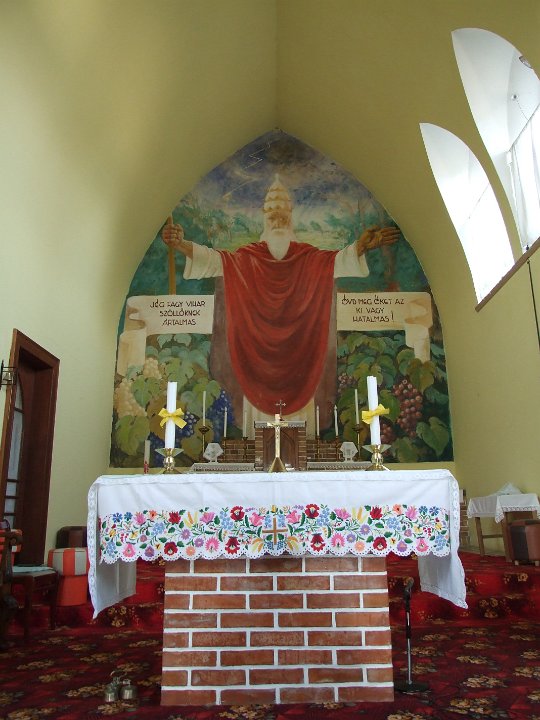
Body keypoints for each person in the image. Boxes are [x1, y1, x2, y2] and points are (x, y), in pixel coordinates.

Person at [162, 176, 399, 433]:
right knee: (257, 436)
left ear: (290, 219)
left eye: (282, 217)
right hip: (256, 360)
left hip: (300, 355)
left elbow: (336, 262)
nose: (277, 223)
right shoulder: (247, 258)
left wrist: (361, 247)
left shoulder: (308, 258)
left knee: (302, 435)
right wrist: (180, 245)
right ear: (265, 220)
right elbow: (213, 261)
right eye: (272, 217)